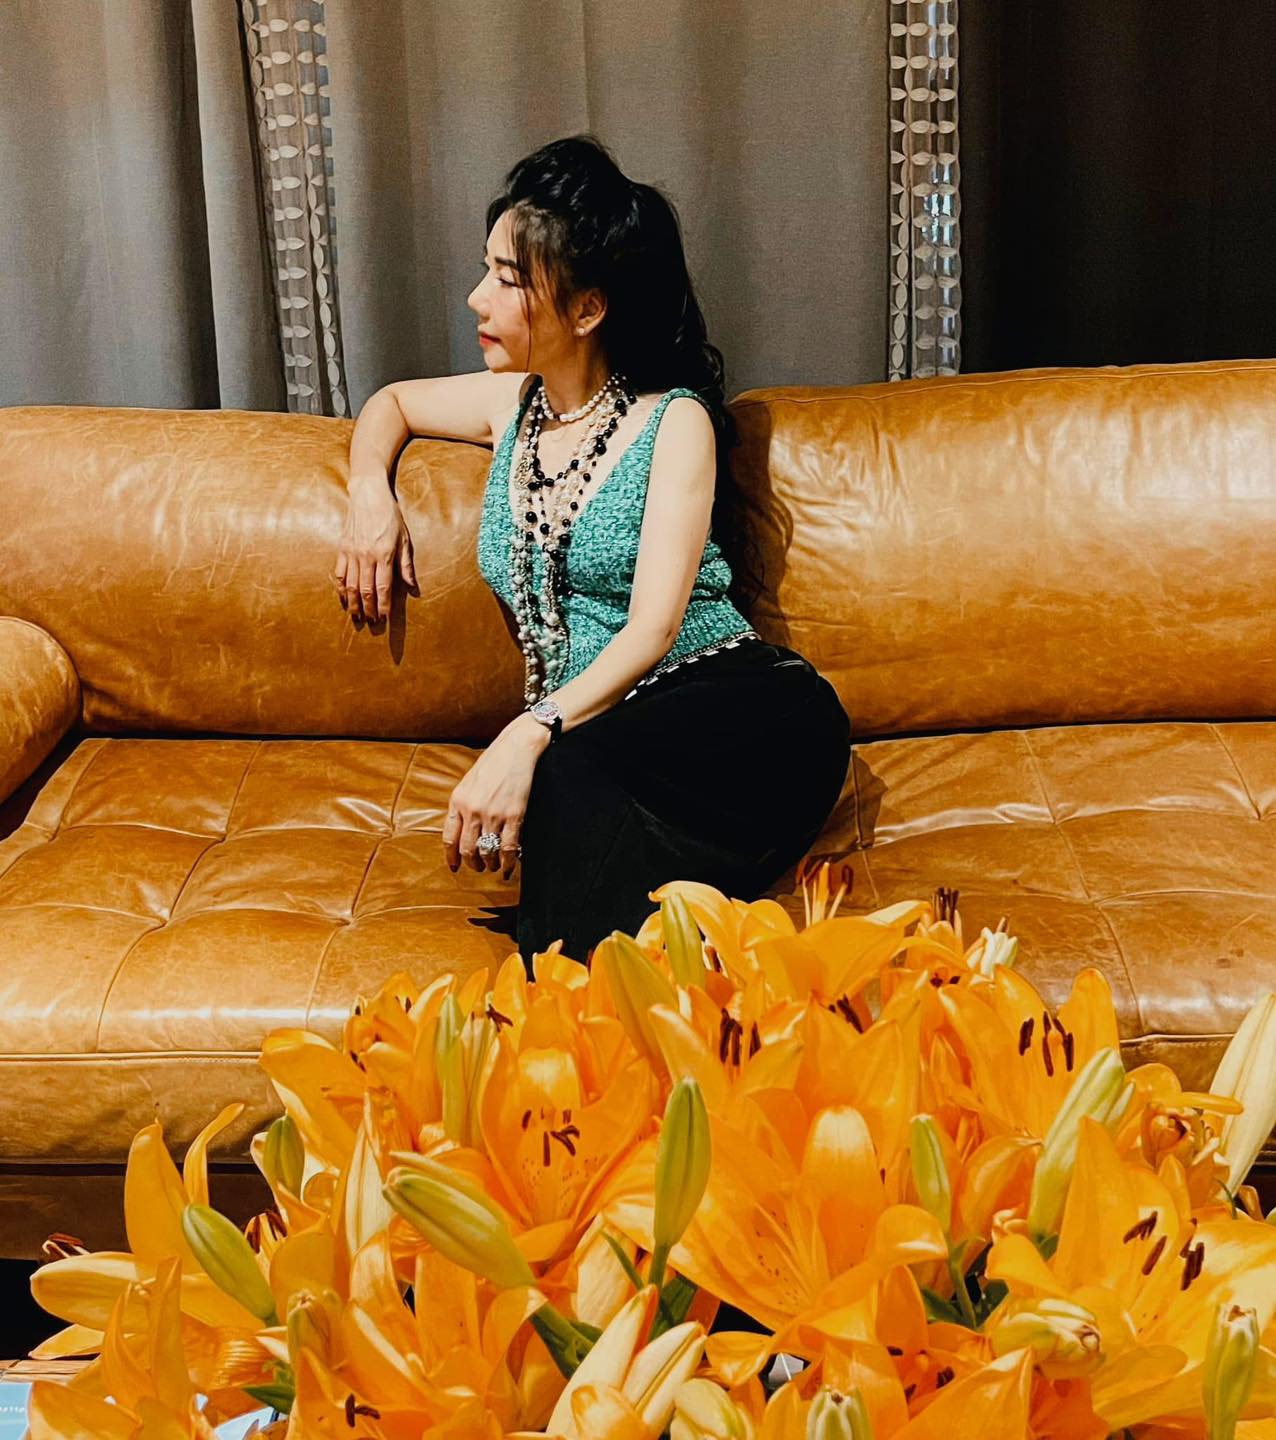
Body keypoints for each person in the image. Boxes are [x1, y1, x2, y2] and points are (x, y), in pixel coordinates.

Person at [334, 134, 851, 967]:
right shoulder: (511, 404)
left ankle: (565, 1004)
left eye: (508, 280)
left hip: (737, 712)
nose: (476, 298)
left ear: (586, 310)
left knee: (563, 777)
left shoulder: (672, 421)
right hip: (602, 744)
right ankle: (627, 996)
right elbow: (390, 404)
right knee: (578, 797)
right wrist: (369, 494)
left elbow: (654, 628)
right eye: (487, 270)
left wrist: (528, 731)